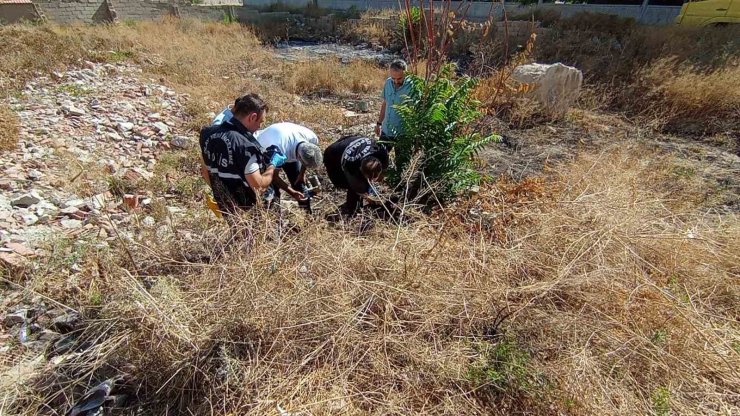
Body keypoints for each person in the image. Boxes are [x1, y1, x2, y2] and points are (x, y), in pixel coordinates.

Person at [199, 93, 286, 217]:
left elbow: (205, 170)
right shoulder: (245, 146)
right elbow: (259, 186)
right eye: (260, 122)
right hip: (249, 211)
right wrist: (272, 165)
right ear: (252, 117)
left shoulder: (207, 133)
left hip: (227, 206)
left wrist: (220, 194)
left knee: (237, 236)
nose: (259, 127)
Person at [254, 122, 323, 207]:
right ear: (299, 157)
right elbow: (274, 177)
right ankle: (276, 215)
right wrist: (292, 192)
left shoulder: (312, 138)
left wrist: (301, 174)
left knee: (299, 183)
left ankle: (306, 212)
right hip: (265, 148)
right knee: (273, 192)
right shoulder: (278, 149)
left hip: (286, 140)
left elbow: (309, 156)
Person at [323, 135, 389, 218]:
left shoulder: (381, 151)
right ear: (360, 169)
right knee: (345, 184)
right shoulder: (351, 165)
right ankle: (353, 211)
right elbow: (356, 187)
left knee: (363, 184)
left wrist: (380, 176)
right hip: (333, 154)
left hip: (350, 141)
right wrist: (367, 196)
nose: (372, 180)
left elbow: (383, 171)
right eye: (368, 178)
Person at [375, 59, 412, 149]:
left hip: (403, 134)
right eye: (393, 78)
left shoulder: (412, 87)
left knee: (402, 162)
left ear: (406, 74)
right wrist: (379, 123)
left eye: (399, 78)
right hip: (386, 130)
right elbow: (385, 104)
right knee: (378, 157)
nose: (395, 81)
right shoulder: (388, 82)